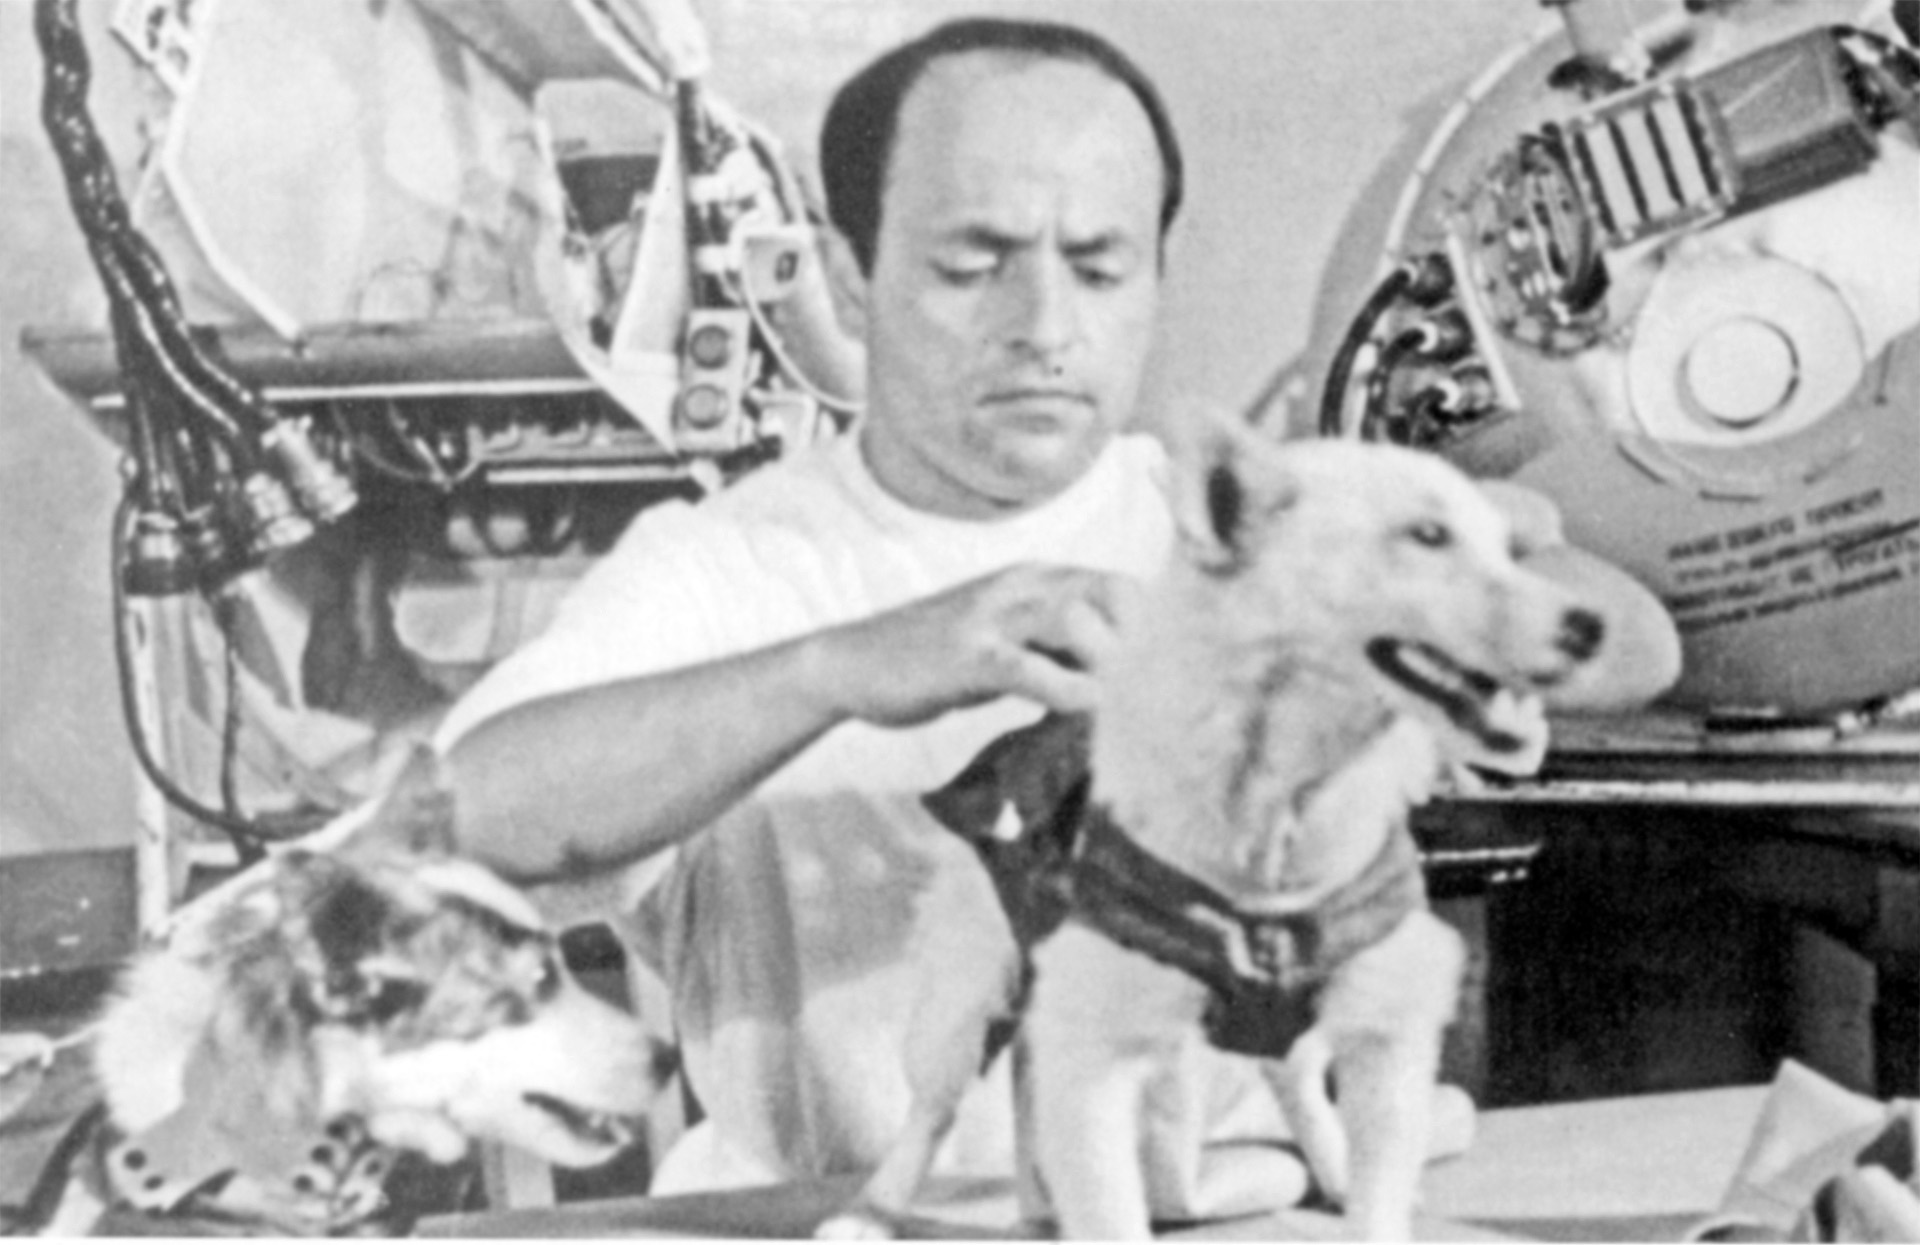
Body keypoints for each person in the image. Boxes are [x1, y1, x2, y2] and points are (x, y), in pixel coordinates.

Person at [436, 16, 1678, 1200]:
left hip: (1237, 1203)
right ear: (850, 278)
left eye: (1097, 268)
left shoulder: (1249, 528)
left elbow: (1633, 645)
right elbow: (467, 821)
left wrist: (1472, 575)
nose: (1043, 328)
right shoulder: (730, 568)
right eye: (971, 266)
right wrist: (836, 670)